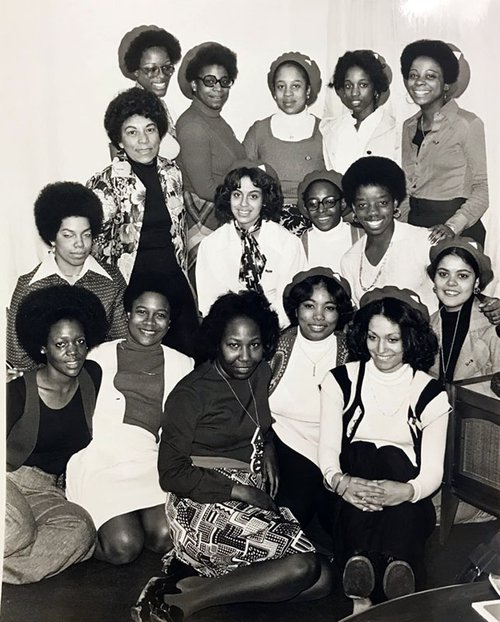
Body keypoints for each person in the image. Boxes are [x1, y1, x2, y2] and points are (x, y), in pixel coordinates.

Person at [135, 291, 332, 621]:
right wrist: (243, 491)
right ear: (217, 342)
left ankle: (194, 584)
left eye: (254, 344)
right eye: (233, 345)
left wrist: (267, 446)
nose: (245, 356)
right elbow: (171, 474)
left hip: (244, 497)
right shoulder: (191, 394)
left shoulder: (260, 374)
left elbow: (260, 423)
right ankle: (183, 604)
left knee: (322, 582)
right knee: (304, 567)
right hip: (200, 503)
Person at [319, 286, 450, 608]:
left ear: (410, 339)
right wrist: (341, 482)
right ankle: (389, 568)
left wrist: (404, 491)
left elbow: (433, 471)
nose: (381, 349)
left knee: (392, 457)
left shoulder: (430, 393)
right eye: (373, 337)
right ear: (363, 336)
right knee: (367, 452)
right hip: (351, 494)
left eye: (393, 339)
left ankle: (372, 569)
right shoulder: (340, 380)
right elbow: (328, 451)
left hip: (406, 496)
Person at [65, 276, 193, 565]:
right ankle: (81, 538)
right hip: (101, 455)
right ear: (127, 316)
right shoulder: (97, 356)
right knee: (123, 548)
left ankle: (127, 518)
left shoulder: (183, 364)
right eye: (141, 312)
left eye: (160, 315)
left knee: (164, 537)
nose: (150, 321)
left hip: (147, 457)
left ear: (169, 323)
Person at [5, 285, 107, 584]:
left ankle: (7, 570)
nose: (72, 351)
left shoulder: (92, 376)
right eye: (60, 344)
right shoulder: (18, 391)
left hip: (46, 489)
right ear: (43, 347)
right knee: (16, 529)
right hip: (8, 480)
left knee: (80, 530)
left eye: (79, 341)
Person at [87, 87, 199, 357]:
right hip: (130, 286)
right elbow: (94, 246)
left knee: (190, 357)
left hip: (174, 280)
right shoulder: (104, 182)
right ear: (119, 139)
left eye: (150, 129)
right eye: (132, 132)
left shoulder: (172, 172)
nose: (144, 140)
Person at [7, 182, 127, 374]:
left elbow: (121, 342)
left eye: (86, 235)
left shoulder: (111, 279)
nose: (79, 244)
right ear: (52, 237)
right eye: (68, 235)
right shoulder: (29, 286)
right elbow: (17, 356)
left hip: (103, 378)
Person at [269, 267, 353, 529]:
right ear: (295, 310)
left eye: (329, 308)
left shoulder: (352, 352)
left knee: (344, 520)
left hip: (337, 450)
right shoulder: (274, 346)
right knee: (292, 512)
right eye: (309, 306)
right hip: (285, 443)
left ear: (339, 313)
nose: (318, 316)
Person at [426, 237, 499, 525]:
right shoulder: (428, 326)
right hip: (441, 435)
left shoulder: (494, 326)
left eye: (463, 275)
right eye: (443, 274)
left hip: (483, 442)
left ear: (477, 283)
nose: (451, 283)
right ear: (433, 280)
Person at [195, 164, 307, 327]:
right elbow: (209, 303)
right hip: (227, 331)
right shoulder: (211, 245)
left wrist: (265, 331)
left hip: (277, 329)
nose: (243, 204)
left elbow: (289, 301)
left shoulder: (287, 243)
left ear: (265, 200)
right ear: (228, 197)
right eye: (237, 195)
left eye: (253, 196)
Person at [400, 39, 488, 245]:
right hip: (415, 227)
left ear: (446, 83)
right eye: (413, 75)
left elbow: (483, 188)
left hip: (457, 229)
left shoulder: (468, 124)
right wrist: (403, 226)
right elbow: (406, 186)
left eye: (430, 76)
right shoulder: (408, 126)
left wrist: (452, 226)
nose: (419, 82)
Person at [176, 42, 246, 278]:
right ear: (194, 84)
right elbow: (205, 188)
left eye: (224, 81)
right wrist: (248, 196)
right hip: (208, 225)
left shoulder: (215, 119)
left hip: (224, 218)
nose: (218, 88)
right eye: (209, 81)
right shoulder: (193, 125)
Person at [340, 156, 436, 312]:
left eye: (382, 203)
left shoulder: (423, 241)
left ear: (395, 203)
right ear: (354, 208)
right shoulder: (349, 260)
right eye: (363, 205)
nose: (373, 212)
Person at [244, 52, 324, 236]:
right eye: (281, 86)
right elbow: (242, 179)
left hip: (314, 223)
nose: (288, 94)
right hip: (266, 223)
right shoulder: (259, 131)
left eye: (296, 86)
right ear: (273, 92)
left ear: (308, 90)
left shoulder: (325, 131)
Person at [321, 50, 399, 174]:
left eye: (363, 85)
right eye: (348, 85)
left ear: (376, 88)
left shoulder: (395, 132)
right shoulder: (330, 130)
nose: (354, 93)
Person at [118, 25, 182, 160]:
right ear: (136, 70)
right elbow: (123, 173)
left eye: (166, 68)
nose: (162, 76)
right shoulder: (127, 110)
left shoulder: (163, 107)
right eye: (151, 69)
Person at [297, 169, 359, 272]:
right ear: (305, 208)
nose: (321, 209)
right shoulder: (298, 245)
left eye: (329, 202)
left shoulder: (362, 238)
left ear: (343, 204)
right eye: (313, 203)